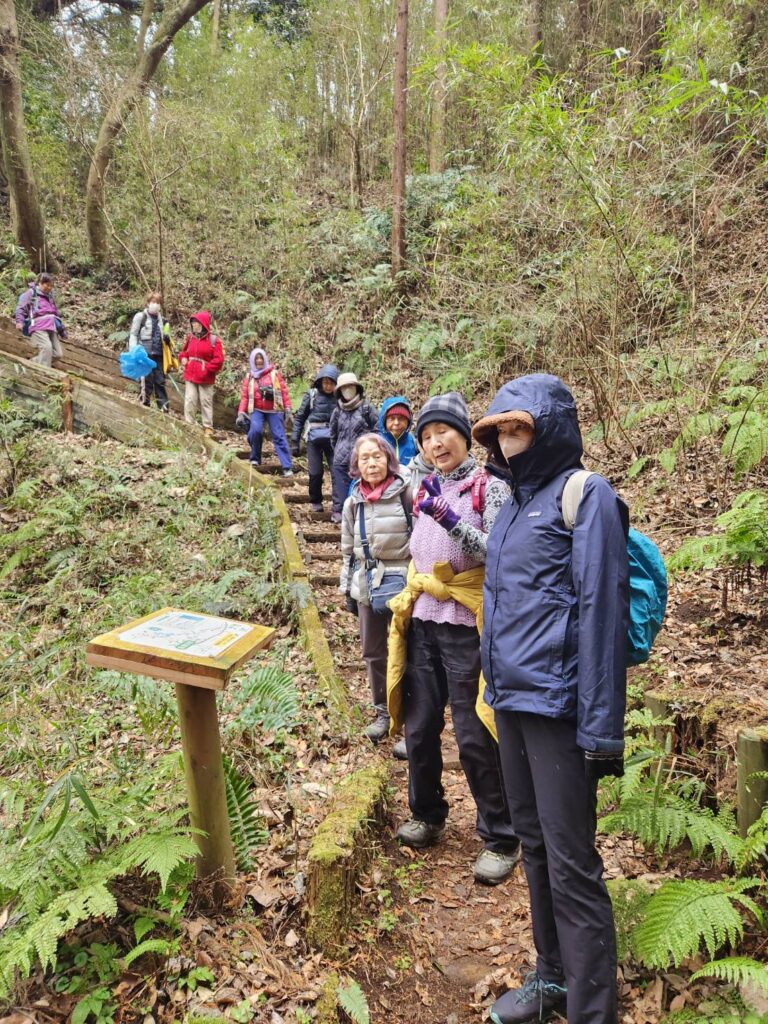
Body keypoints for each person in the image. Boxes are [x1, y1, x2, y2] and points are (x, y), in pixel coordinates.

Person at [472, 373, 629, 1024]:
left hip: (560, 710)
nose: (507, 441)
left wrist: (600, 730)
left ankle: (595, 1010)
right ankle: (552, 980)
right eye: (500, 429)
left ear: (551, 428)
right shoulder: (509, 504)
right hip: (510, 701)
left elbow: (600, 615)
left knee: (572, 864)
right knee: (534, 847)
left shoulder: (585, 497)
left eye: (519, 427)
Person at [386, 392, 520, 885]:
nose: (435, 442)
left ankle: (501, 835)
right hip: (425, 619)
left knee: (474, 733)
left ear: (464, 436)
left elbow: (498, 551)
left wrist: (448, 518)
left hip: (468, 624)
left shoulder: (493, 488)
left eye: (443, 432)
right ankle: (427, 813)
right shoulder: (422, 487)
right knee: (419, 728)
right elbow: (419, 553)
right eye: (425, 436)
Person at [340, 434, 412, 742]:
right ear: (356, 465)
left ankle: (412, 717)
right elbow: (347, 549)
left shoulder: (407, 495)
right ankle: (383, 712)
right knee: (373, 652)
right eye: (365, 458)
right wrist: (347, 588)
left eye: (377, 456)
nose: (372, 463)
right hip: (366, 584)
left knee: (410, 650)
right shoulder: (352, 502)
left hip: (403, 583)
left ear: (389, 459)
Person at [329, 372, 378, 524]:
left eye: (350, 386)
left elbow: (377, 430)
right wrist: (338, 449)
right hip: (340, 458)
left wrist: (368, 448)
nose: (348, 390)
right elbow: (333, 434)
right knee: (339, 488)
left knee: (361, 488)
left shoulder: (367, 408)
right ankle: (339, 513)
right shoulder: (338, 410)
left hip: (361, 458)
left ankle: (360, 516)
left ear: (357, 388)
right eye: (344, 388)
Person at [236, 347, 293, 476]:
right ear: (252, 361)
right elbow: (245, 396)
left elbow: (283, 391)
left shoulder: (274, 374)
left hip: (274, 409)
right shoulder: (249, 377)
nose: (259, 361)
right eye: (257, 359)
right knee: (255, 431)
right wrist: (241, 412)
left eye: (261, 358)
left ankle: (287, 467)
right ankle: (255, 458)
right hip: (257, 409)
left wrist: (288, 409)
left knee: (279, 436)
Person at [291, 365, 339, 511]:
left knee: (337, 472)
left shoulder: (340, 398)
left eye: (331, 383)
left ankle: (338, 506)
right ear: (320, 382)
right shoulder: (311, 395)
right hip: (314, 440)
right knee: (315, 472)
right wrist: (295, 441)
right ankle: (316, 502)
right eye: (325, 382)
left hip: (333, 440)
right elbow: (300, 418)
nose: (328, 386)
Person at [179, 311, 224, 436]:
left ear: (203, 324)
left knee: (206, 401)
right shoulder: (190, 338)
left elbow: (219, 360)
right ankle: (189, 424)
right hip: (191, 374)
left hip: (206, 377)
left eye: (196, 323)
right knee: (190, 399)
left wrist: (206, 368)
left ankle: (207, 426)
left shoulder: (214, 340)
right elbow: (184, 353)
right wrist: (183, 359)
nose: (194, 325)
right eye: (193, 323)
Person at [128, 292, 174, 411]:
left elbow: (167, 338)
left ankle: (163, 407)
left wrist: (167, 339)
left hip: (159, 354)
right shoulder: (140, 317)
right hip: (144, 353)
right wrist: (133, 351)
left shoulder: (163, 321)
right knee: (146, 379)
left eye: (158, 303)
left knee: (160, 381)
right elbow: (133, 334)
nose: (155, 305)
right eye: (153, 302)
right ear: (148, 303)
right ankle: (144, 403)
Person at [14, 273, 66, 367]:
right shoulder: (31, 293)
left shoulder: (50, 297)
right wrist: (19, 321)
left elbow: (55, 314)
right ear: (40, 283)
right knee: (46, 348)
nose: (49, 288)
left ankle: (31, 363)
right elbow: (21, 307)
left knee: (58, 354)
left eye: (51, 286)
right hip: (38, 325)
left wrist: (62, 331)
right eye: (47, 285)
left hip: (51, 326)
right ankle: (44, 374)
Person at [378, 396, 417, 466]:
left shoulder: (414, 443)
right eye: (392, 419)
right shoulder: (376, 443)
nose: (396, 423)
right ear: (384, 421)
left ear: (408, 421)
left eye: (401, 418)